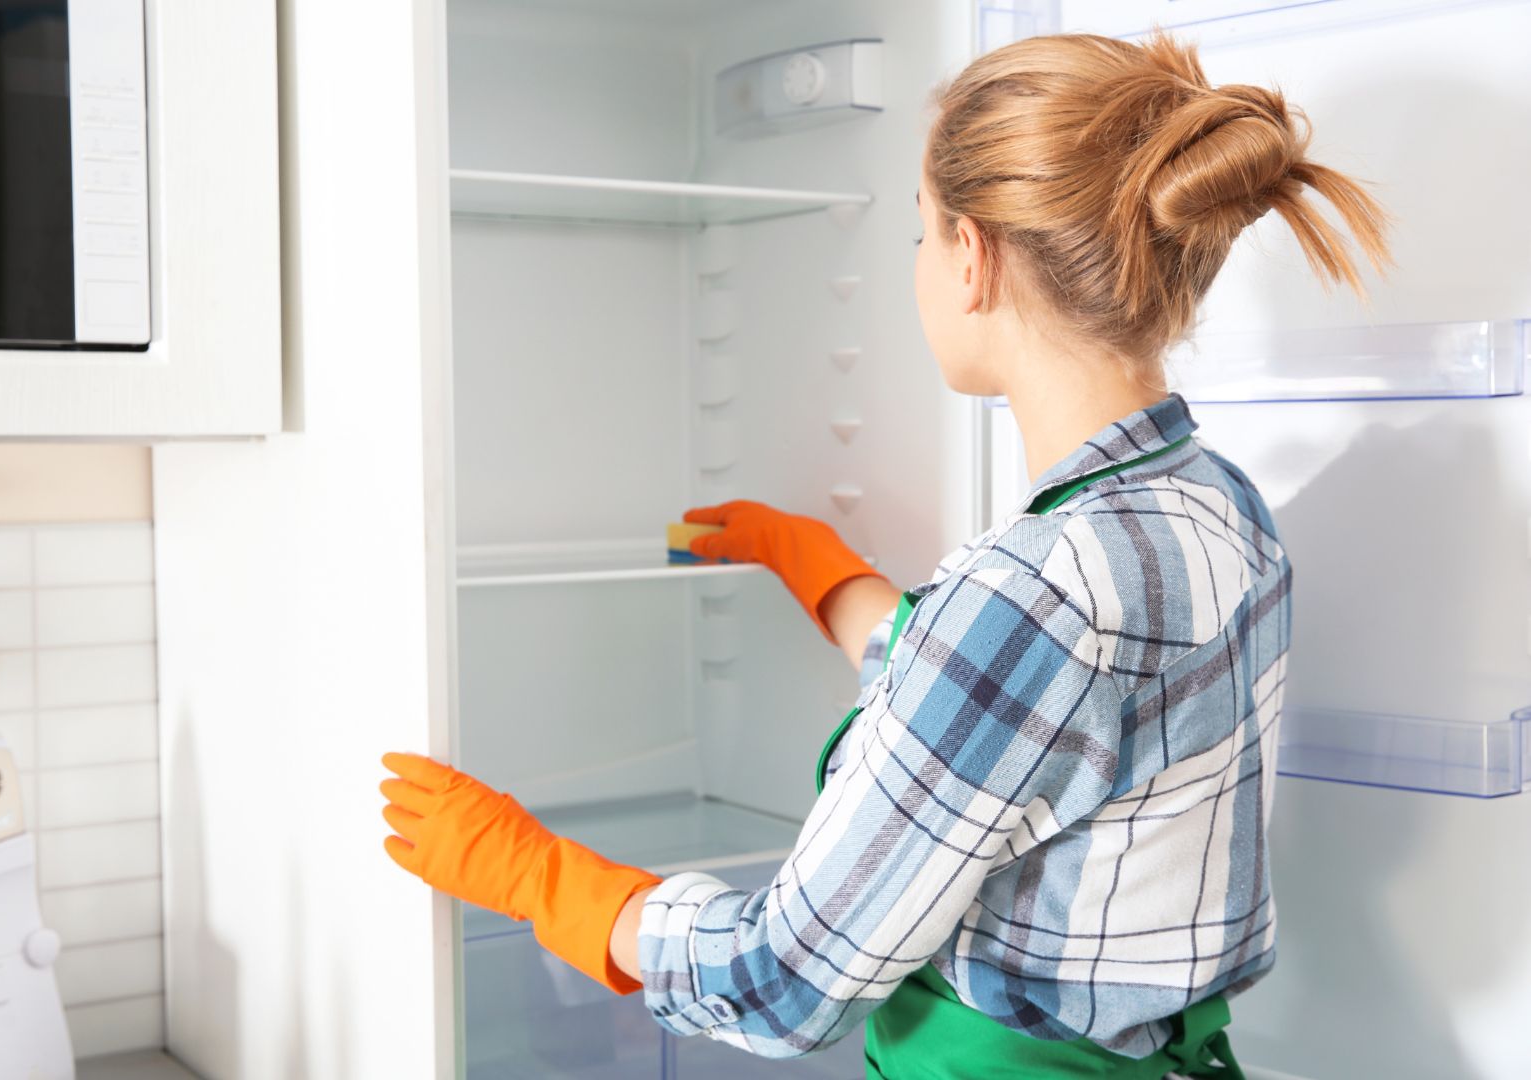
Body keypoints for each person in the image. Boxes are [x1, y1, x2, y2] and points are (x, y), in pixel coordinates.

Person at [379, 29, 1388, 1079]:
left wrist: (544, 880)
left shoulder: (1034, 594)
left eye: (919, 231)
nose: (916, 264)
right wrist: (825, 573)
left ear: (974, 257)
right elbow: (1033, 719)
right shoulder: (1216, 508)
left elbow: (782, 983)